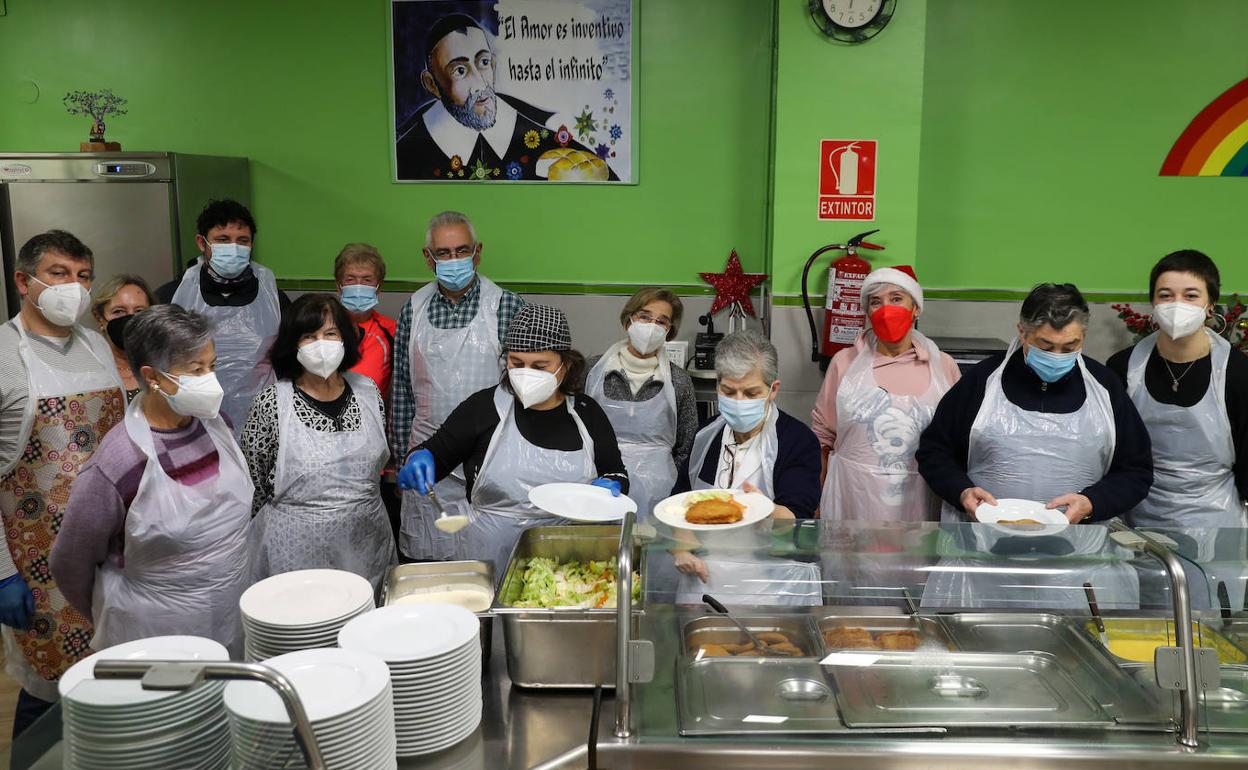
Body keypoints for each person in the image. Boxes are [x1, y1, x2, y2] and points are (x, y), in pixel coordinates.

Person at [916, 283, 1153, 610]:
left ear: (1083, 336)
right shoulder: (981, 383)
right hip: (983, 569)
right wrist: (962, 491)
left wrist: (1092, 502)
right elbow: (934, 452)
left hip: (1079, 573)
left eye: (1071, 345)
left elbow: (1136, 471)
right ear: (1022, 332)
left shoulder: (1105, 388)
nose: (1058, 356)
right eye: (1046, 345)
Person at [50, 306, 251, 655]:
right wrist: (107, 611)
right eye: (196, 370)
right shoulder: (120, 460)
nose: (210, 380)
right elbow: (70, 561)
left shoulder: (219, 426)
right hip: (156, 629)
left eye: (212, 366)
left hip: (229, 611)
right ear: (152, 377)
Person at [0, 230, 125, 735]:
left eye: (83, 276)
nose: (72, 287)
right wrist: (2, 571)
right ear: (23, 281)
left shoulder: (96, 345)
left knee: (111, 675)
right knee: (50, 688)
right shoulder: (6, 355)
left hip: (112, 549)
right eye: (58, 274)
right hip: (39, 562)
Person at [397, 304, 628, 575]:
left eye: (540, 366)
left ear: (565, 366)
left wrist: (614, 485)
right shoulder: (482, 408)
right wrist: (419, 457)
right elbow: (435, 453)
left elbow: (616, 472)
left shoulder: (587, 413)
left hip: (568, 564)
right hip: (489, 560)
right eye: (517, 364)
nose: (526, 373)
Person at [1107, 251, 1248, 611]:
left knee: (1209, 634)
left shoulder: (1238, 374)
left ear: (1210, 305)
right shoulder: (1123, 367)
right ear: (1153, 302)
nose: (1176, 304)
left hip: (1215, 530)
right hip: (1136, 526)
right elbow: (1109, 451)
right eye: (1165, 295)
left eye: (1190, 295)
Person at [390, 211, 525, 561]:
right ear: (428, 257)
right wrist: (405, 458)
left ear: (477, 253)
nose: (454, 260)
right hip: (427, 464)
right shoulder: (413, 309)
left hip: (490, 463)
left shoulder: (505, 306)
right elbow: (403, 392)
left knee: (486, 569)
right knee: (428, 570)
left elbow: (524, 392)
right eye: (444, 253)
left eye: (462, 251)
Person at [241, 294, 395, 589]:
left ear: (345, 339)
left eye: (330, 334)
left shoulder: (368, 392)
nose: (320, 344)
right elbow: (253, 488)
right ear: (292, 344)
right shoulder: (272, 403)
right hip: (295, 554)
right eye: (308, 336)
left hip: (366, 546)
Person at [671, 330, 823, 605]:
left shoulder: (797, 440)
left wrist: (764, 508)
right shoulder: (706, 436)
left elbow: (797, 517)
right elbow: (680, 502)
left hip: (770, 586)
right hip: (705, 581)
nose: (739, 401)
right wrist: (682, 548)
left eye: (751, 392)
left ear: (773, 389)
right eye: (729, 391)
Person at [814, 267, 960, 521]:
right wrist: (815, 496)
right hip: (852, 498)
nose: (886, 309)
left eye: (896, 299)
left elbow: (957, 440)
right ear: (867, 312)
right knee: (852, 559)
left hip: (921, 502)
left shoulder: (943, 366)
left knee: (914, 558)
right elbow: (822, 437)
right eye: (875, 302)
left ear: (916, 308)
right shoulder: (844, 363)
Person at [395, 14, 615, 181]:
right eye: (460, 71)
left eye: (483, 62)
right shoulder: (407, 155)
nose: (480, 83)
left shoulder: (546, 145)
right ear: (432, 84)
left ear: (493, 63)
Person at [161, 199, 290, 432]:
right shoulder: (172, 295)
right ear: (202, 242)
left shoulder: (275, 298)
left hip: (262, 423)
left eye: (243, 241)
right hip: (191, 423)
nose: (234, 247)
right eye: (223, 240)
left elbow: (288, 360)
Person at [585, 288, 698, 522]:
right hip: (598, 485)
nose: (651, 326)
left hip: (660, 493)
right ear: (629, 320)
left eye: (662, 321)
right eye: (644, 317)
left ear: (669, 332)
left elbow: (687, 446)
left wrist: (661, 477)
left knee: (652, 553)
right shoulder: (591, 370)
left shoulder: (679, 381)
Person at [335, 243, 397, 401]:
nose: (358, 286)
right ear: (339, 286)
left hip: (372, 421)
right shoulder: (321, 328)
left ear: (378, 287)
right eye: (350, 279)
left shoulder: (391, 331)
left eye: (367, 279)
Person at [90, 274, 156, 402]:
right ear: (99, 319)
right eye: (119, 311)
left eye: (139, 311)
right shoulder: (89, 373)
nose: (130, 319)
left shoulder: (166, 369)